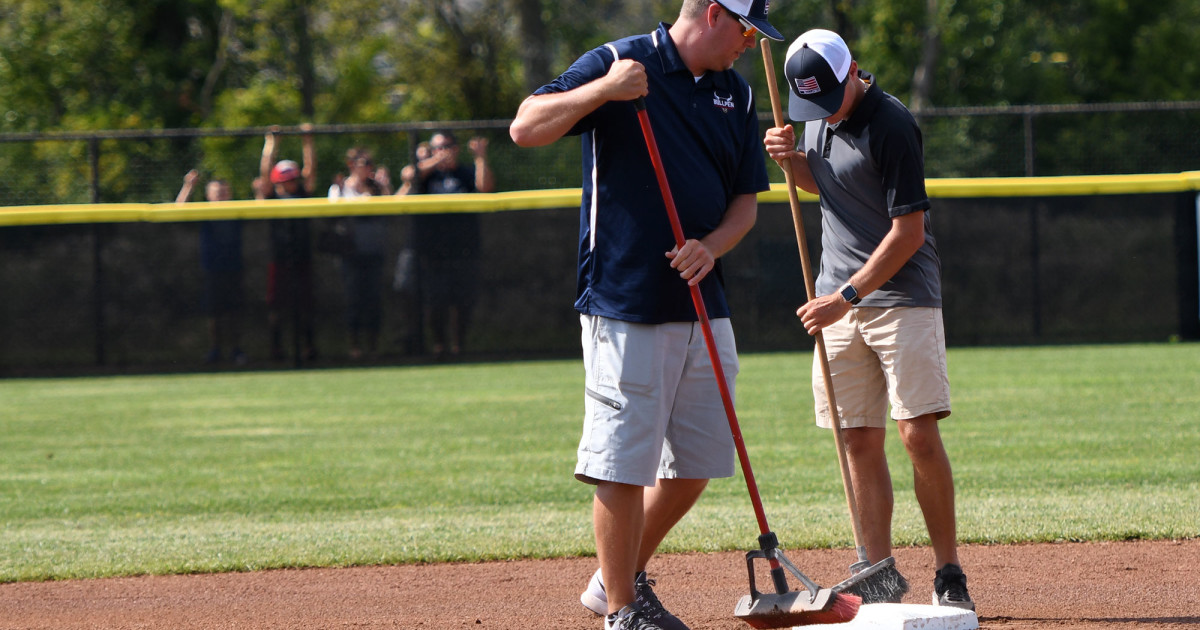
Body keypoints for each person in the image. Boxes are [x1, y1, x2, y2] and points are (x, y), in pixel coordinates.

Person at [509, 2, 780, 629]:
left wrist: (711, 247)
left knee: (698, 464)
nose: (748, 43)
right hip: (626, 301)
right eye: (745, 29)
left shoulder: (735, 95)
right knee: (623, 463)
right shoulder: (618, 60)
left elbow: (745, 203)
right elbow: (525, 127)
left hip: (703, 304)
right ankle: (623, 613)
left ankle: (614, 581)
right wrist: (605, 90)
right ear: (713, 13)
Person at [762, 29, 974, 611]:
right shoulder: (813, 111)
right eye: (812, 103)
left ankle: (948, 571)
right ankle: (876, 572)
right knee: (856, 438)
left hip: (899, 295)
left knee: (917, 434)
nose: (823, 111)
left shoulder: (893, 124)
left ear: (853, 70)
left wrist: (846, 297)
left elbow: (907, 234)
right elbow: (830, 188)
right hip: (838, 297)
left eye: (830, 97)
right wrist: (793, 161)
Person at [409, 131, 494, 359]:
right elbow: (409, 176)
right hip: (433, 252)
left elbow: (485, 187)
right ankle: (438, 346)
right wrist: (436, 160)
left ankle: (458, 347)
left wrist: (480, 157)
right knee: (435, 303)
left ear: (456, 148)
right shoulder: (428, 175)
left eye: (447, 146)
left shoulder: (465, 173)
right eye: (438, 147)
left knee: (462, 303)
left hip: (464, 250)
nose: (443, 151)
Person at [258, 125, 319, 363]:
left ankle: (308, 347)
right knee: (276, 308)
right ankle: (276, 348)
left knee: (306, 307)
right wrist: (272, 143)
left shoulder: (303, 194)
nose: (292, 182)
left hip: (303, 257)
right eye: (287, 179)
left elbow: (311, 170)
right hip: (279, 258)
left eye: (294, 178)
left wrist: (308, 141)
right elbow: (264, 173)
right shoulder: (272, 197)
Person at [176, 170, 246, 366]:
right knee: (213, 313)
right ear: (209, 196)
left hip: (234, 268)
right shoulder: (204, 213)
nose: (221, 196)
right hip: (212, 269)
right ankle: (215, 350)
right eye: (217, 193)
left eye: (224, 193)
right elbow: (178, 210)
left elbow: (263, 204)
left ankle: (237, 350)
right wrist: (189, 186)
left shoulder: (237, 212)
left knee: (235, 312)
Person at [328, 148, 390, 359]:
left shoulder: (377, 188)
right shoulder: (340, 188)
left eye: (369, 164)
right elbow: (333, 216)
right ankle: (354, 346)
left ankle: (373, 346)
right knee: (353, 300)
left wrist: (383, 187)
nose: (365, 168)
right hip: (350, 254)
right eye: (361, 163)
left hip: (373, 251)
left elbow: (390, 211)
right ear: (351, 165)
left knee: (373, 300)